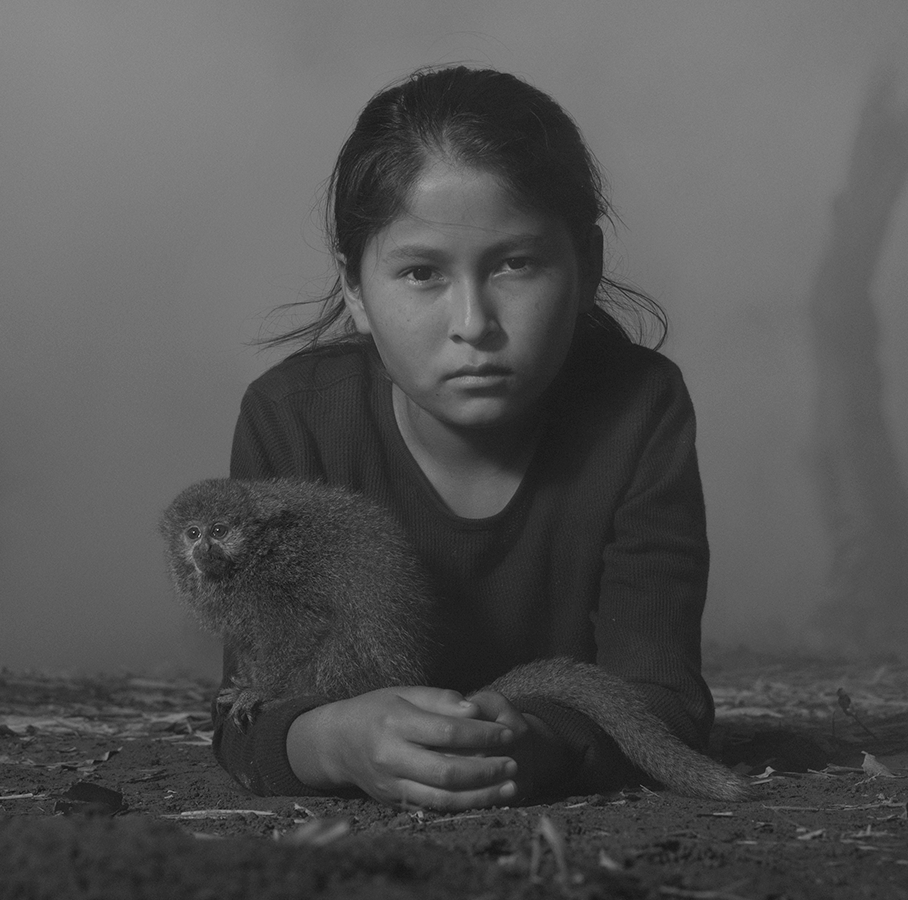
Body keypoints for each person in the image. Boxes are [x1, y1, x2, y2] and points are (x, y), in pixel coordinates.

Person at [215, 65, 712, 810]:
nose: (474, 323)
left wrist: (537, 741)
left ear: (587, 266)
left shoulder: (640, 409)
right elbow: (244, 707)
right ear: (355, 289)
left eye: (515, 263)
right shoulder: (292, 420)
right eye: (421, 273)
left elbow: (666, 700)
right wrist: (336, 741)